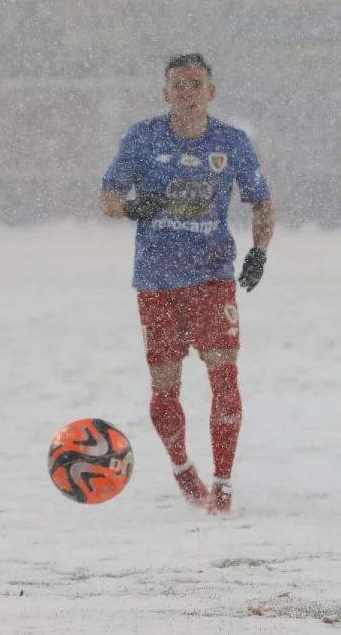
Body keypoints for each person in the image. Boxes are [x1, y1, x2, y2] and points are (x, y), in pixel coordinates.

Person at [99, 53, 274, 515]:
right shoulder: (142, 138)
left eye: (196, 84)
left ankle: (223, 484)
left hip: (213, 276)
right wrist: (135, 207)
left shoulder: (232, 143)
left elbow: (262, 203)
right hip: (156, 280)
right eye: (178, 85)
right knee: (165, 385)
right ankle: (181, 468)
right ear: (165, 92)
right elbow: (108, 199)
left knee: (224, 373)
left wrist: (259, 253)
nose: (187, 93)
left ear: (211, 92)